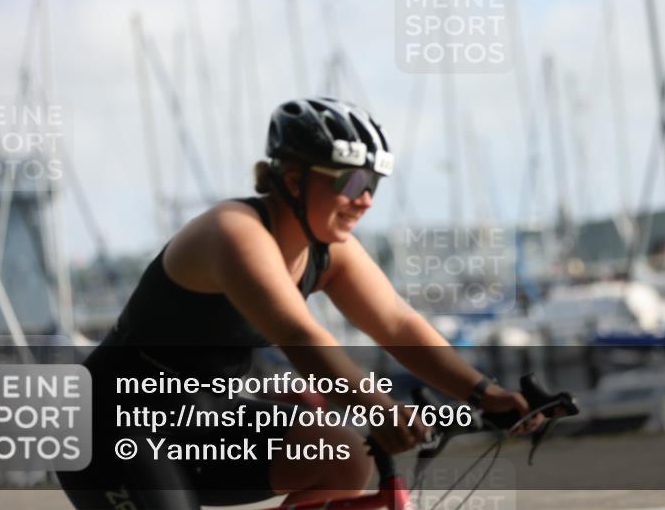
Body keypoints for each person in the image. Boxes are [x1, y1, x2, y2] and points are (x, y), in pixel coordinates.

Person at [58, 97, 538, 510]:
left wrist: (484, 393)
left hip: (199, 420)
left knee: (344, 456)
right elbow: (301, 337)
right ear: (293, 179)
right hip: (109, 427)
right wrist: (377, 406)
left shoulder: (329, 250)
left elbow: (397, 323)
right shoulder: (232, 233)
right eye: (350, 183)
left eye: (374, 184)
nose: (366, 199)